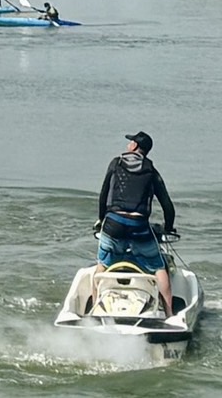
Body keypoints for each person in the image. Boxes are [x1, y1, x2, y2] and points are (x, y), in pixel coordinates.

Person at [96, 131, 178, 317]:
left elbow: (103, 195)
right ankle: (170, 314)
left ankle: (94, 309)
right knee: (159, 267)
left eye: (130, 142)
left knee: (102, 263)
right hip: (139, 226)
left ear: (134, 146)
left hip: (113, 224)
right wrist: (169, 227)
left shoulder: (115, 163)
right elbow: (167, 204)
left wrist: (101, 220)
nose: (128, 145)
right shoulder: (151, 170)